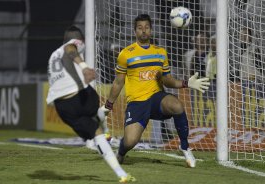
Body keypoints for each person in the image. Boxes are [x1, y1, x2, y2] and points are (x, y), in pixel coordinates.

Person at [101, 14, 210, 168]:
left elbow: (167, 80)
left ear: (151, 30)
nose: (143, 31)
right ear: (135, 31)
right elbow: (118, 82)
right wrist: (108, 105)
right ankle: (121, 153)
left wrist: (186, 83)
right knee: (130, 141)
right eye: (140, 28)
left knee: (177, 105)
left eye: (146, 27)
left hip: (156, 98)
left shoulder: (160, 52)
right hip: (137, 102)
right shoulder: (126, 53)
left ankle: (185, 147)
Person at [46, 25, 135, 183]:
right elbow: (70, 49)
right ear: (79, 39)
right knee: (97, 106)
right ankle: (106, 131)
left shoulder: (53, 55)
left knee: (96, 133)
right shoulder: (72, 44)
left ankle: (121, 174)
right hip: (79, 97)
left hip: (62, 107)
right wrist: (85, 67)